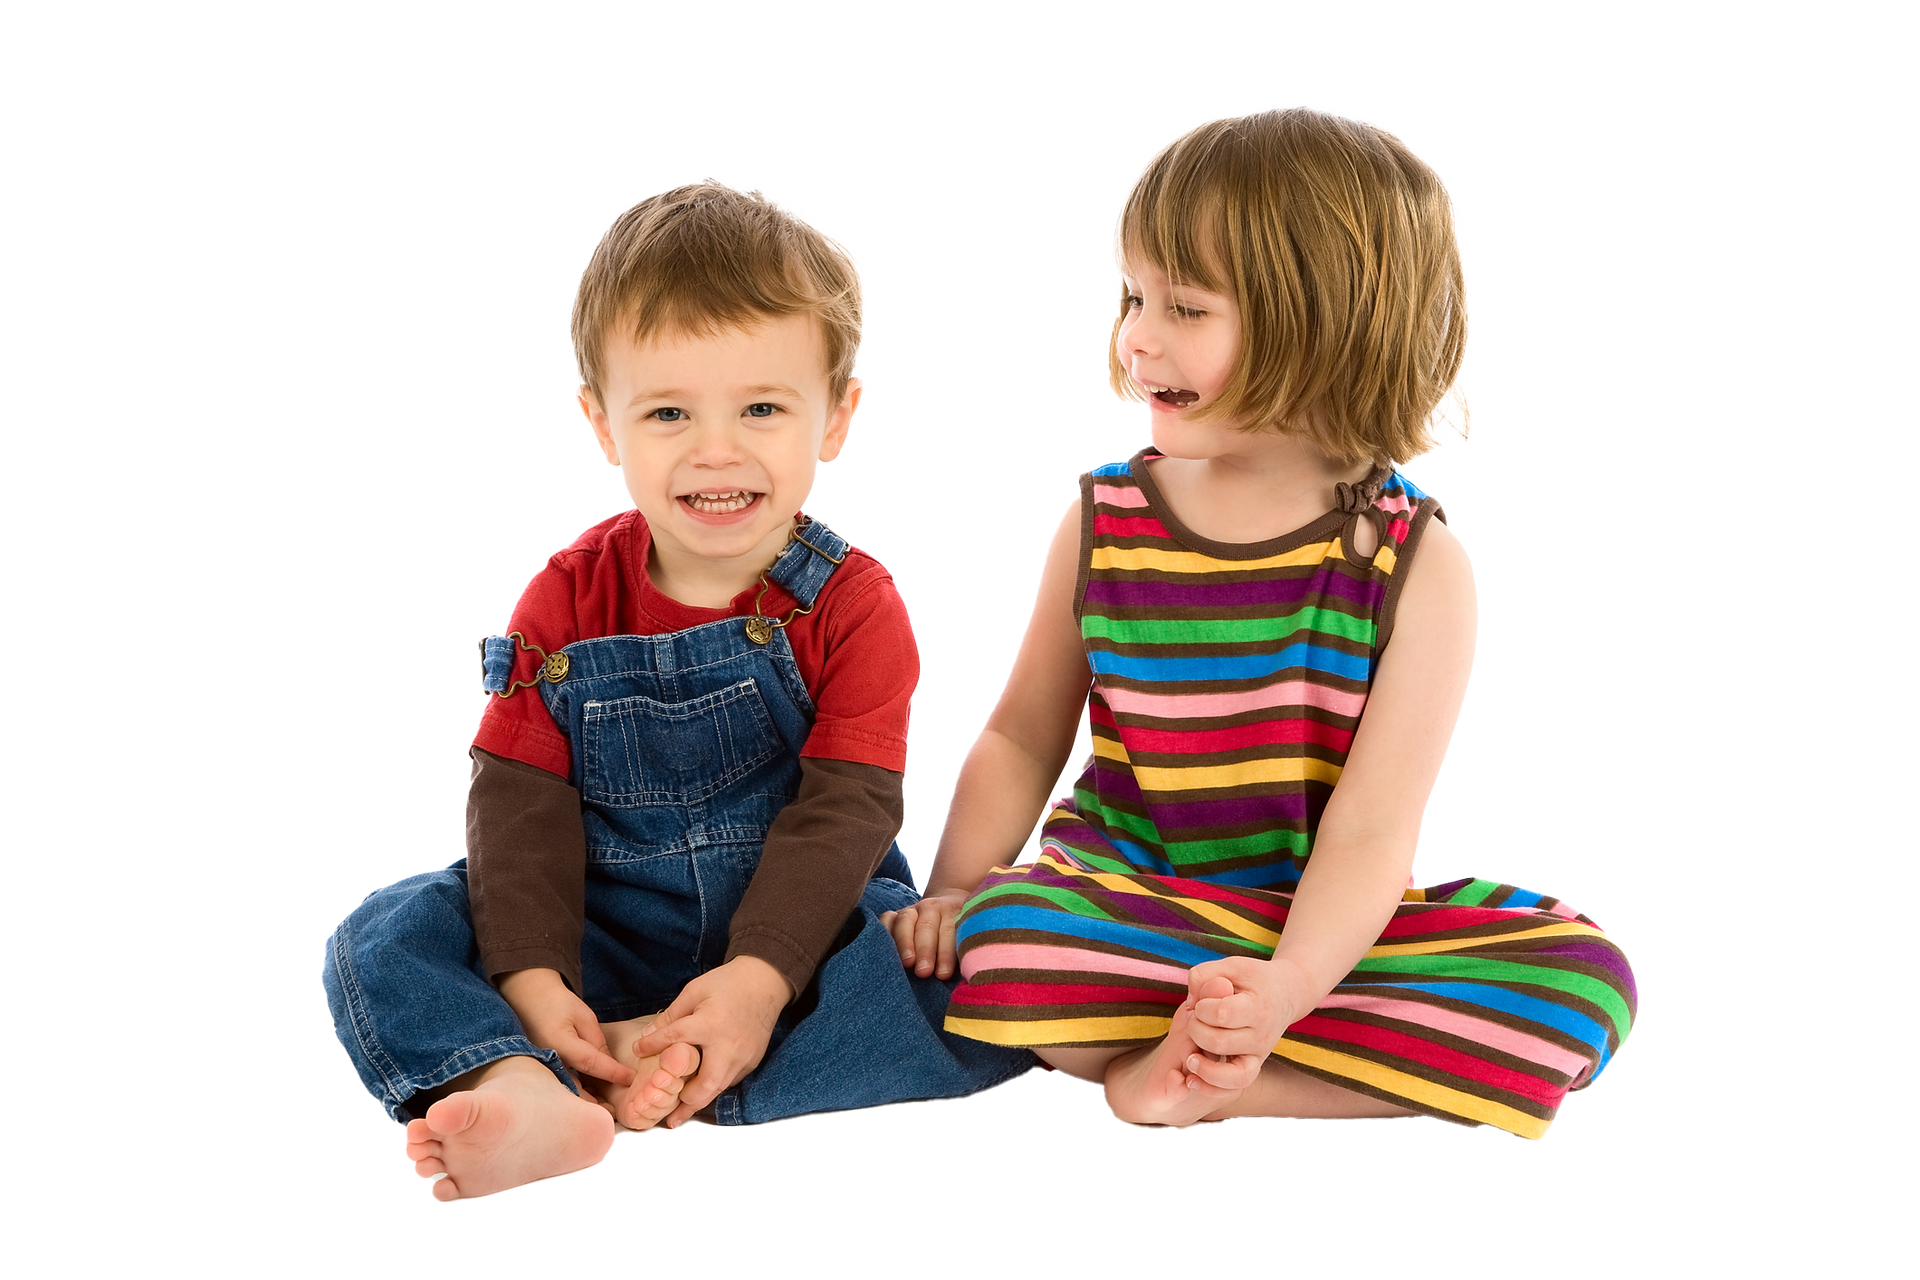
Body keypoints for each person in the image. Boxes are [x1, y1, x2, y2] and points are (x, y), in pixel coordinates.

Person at [882, 102, 1640, 1141]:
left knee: (1584, 977)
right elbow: (1022, 734)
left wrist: (1285, 984)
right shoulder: (1101, 521)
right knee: (1011, 939)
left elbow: (1375, 834)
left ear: (1329, 327)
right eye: (1130, 296)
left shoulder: (1419, 568)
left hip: (1321, 928)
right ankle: (1275, 1052)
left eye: (1185, 308)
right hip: (1125, 902)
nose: (1136, 336)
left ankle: (1215, 1077)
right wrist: (956, 887)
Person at [320, 175, 1030, 1204]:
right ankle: (527, 1073)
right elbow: (518, 803)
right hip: (599, 919)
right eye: (667, 410)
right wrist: (532, 977)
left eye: (761, 407)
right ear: (600, 420)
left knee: (988, 973)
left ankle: (663, 1071)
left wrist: (756, 981)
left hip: (808, 934)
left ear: (838, 412)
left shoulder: (854, 601)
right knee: (384, 930)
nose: (716, 449)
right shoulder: (566, 590)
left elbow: (849, 807)